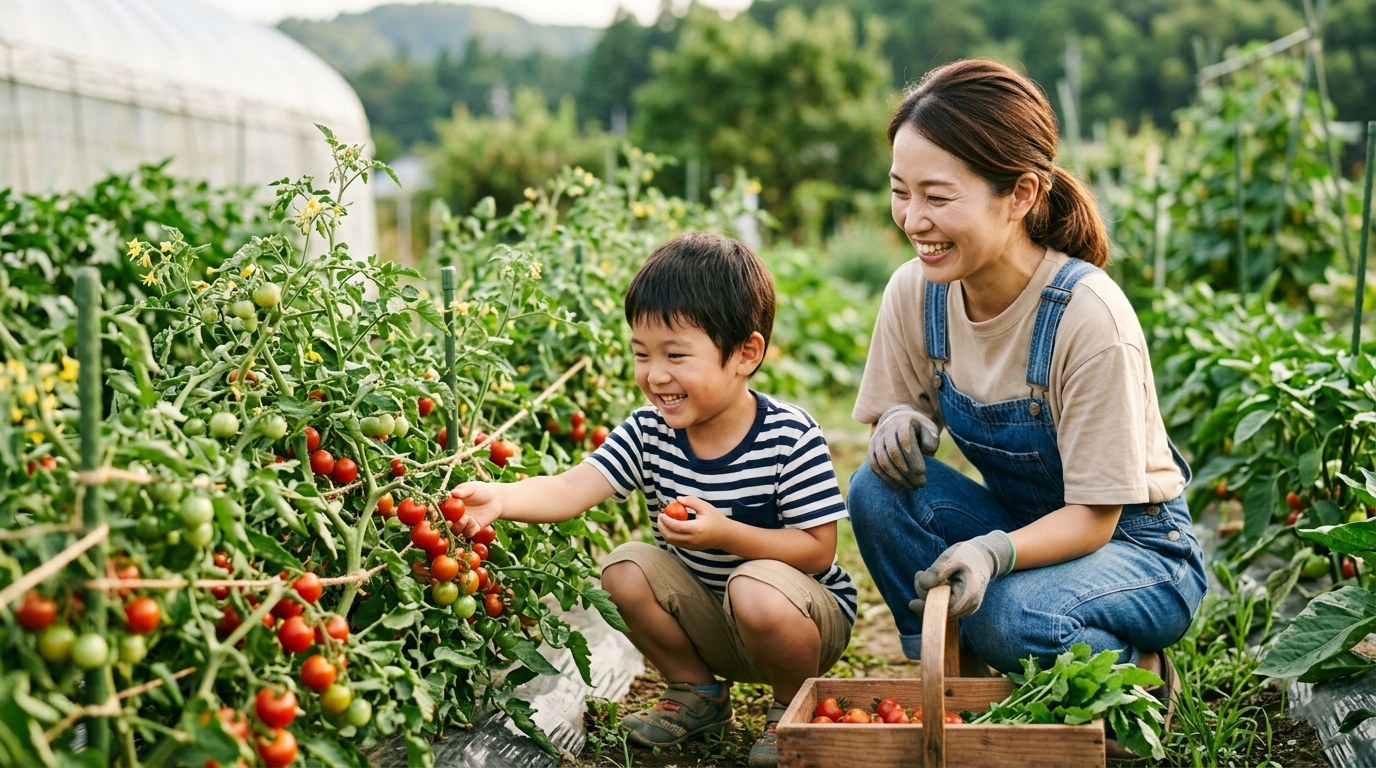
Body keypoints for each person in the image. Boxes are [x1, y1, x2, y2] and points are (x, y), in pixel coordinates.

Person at [847, 59, 1206, 755]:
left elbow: (1098, 518)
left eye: (938, 197)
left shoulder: (1086, 317)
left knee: (1010, 617)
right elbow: (897, 411)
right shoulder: (917, 292)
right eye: (900, 192)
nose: (913, 220)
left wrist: (990, 551)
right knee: (876, 491)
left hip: (1137, 551)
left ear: (1020, 194)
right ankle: (959, 688)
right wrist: (898, 422)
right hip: (1027, 525)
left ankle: (1132, 672)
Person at [453, 232, 855, 768]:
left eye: (676, 355)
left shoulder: (789, 434)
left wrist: (726, 535)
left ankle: (791, 706)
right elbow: (572, 488)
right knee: (623, 570)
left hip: (798, 619)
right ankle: (697, 694)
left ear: (745, 354)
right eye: (642, 354)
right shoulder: (649, 433)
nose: (655, 375)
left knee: (755, 588)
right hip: (714, 616)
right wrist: (500, 497)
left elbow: (818, 551)